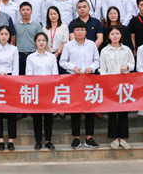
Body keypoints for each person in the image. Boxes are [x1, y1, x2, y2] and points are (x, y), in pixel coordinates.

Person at [59, 21, 100, 149]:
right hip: (74, 80)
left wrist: (91, 68)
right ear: (73, 32)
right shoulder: (68, 46)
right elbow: (62, 61)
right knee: (75, 109)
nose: (80, 32)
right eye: (77, 30)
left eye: (82, 30)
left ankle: (89, 137)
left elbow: (97, 61)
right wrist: (73, 67)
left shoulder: (91, 45)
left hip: (89, 80)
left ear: (86, 31)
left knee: (89, 108)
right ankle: (76, 137)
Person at [100, 25, 134, 150]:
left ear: (121, 35)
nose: (115, 36)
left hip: (124, 85)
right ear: (108, 36)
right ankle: (114, 138)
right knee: (112, 112)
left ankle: (123, 138)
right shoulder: (105, 51)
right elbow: (102, 69)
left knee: (123, 112)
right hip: (111, 85)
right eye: (112, 34)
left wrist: (127, 67)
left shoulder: (127, 50)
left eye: (117, 33)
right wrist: (106, 80)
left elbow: (133, 64)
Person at [26, 32, 57, 151]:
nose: (41, 43)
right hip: (36, 90)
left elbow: (55, 73)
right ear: (35, 42)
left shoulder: (52, 57)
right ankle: (38, 141)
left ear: (46, 42)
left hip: (49, 90)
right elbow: (29, 74)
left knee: (48, 117)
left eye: (43, 40)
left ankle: (48, 140)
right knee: (37, 117)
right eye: (39, 40)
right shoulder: (31, 57)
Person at [15, 1, 42, 75]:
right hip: (19, 54)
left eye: (28, 9)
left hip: (33, 53)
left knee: (33, 75)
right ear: (20, 11)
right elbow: (13, 40)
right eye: (23, 10)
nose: (25, 12)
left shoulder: (37, 25)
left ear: (31, 11)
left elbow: (39, 40)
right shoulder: (15, 25)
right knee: (20, 76)